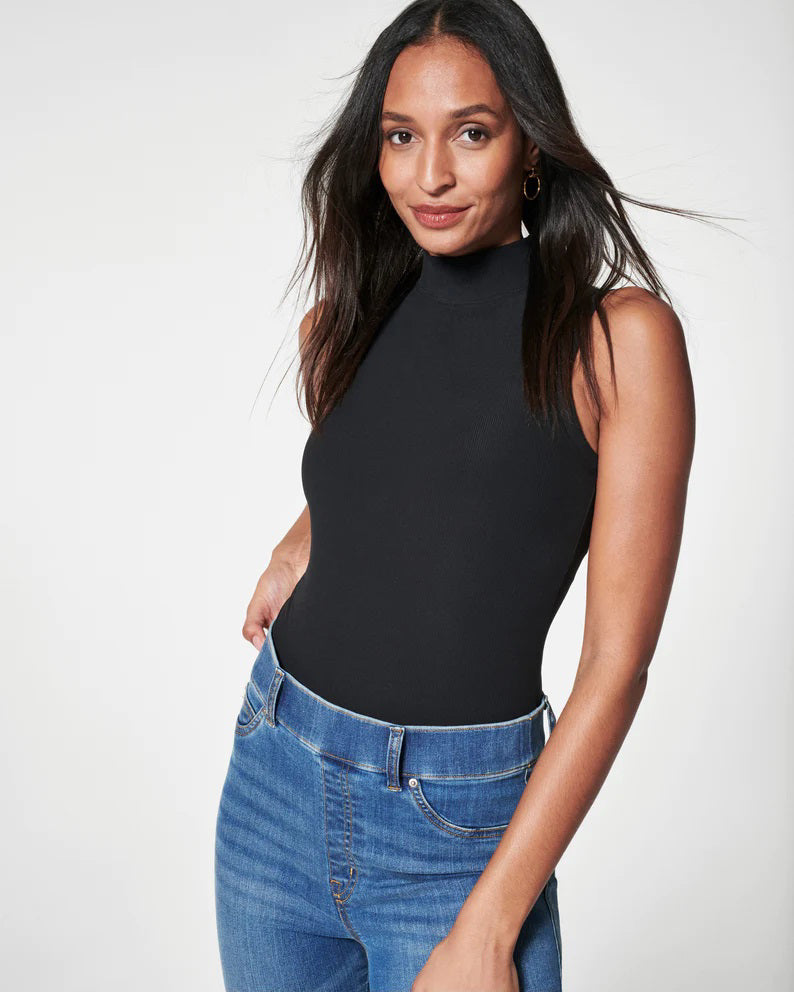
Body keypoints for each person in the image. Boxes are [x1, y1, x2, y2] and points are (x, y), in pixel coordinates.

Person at [214, 2, 697, 990]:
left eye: (469, 133)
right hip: (274, 773)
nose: (427, 175)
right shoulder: (339, 323)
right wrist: (304, 536)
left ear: (527, 143)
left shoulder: (617, 341)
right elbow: (403, 472)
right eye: (400, 137)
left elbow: (615, 664)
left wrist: (487, 926)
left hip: (458, 832)